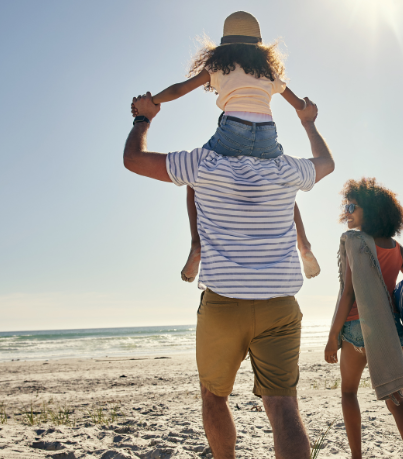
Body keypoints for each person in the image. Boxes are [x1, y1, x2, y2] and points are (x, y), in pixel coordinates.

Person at [124, 91, 334, 459]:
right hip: (280, 306)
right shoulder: (285, 168)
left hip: (224, 304)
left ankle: (197, 246)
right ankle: (301, 246)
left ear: (223, 127)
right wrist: (309, 123)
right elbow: (327, 162)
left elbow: (134, 159)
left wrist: (143, 119)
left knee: (214, 397)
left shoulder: (203, 164)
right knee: (283, 406)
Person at [131, 11, 320, 282]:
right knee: (285, 185)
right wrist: (308, 110)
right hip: (266, 135)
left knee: (193, 177)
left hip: (233, 132)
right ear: (260, 47)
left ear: (224, 46)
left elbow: (179, 89)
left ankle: (197, 244)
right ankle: (304, 245)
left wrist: (150, 103)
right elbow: (298, 105)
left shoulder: (221, 68)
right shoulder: (269, 72)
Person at [324, 178, 403, 459]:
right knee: (397, 402)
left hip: (357, 327)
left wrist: (332, 338)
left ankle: (356, 456)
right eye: (346, 206)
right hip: (392, 330)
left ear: (372, 210)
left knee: (348, 393)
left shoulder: (355, 242)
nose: (347, 212)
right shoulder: (396, 248)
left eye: (352, 206)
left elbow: (347, 294)